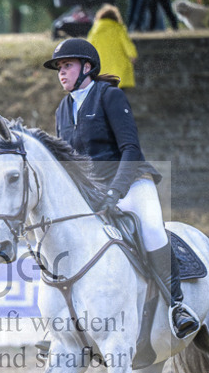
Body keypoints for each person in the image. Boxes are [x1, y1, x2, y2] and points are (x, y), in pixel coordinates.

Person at [43, 38, 199, 338]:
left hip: (131, 183)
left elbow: (130, 148)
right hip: (92, 195)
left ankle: (177, 307)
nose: (61, 73)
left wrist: (115, 191)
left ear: (87, 67)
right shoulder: (62, 110)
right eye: (59, 68)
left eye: (67, 66)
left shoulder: (109, 96)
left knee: (152, 230)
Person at [86, 4, 137, 90]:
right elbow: (127, 44)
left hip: (101, 69)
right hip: (119, 68)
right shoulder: (118, 28)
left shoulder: (95, 31)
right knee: (118, 95)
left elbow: (89, 48)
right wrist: (133, 55)